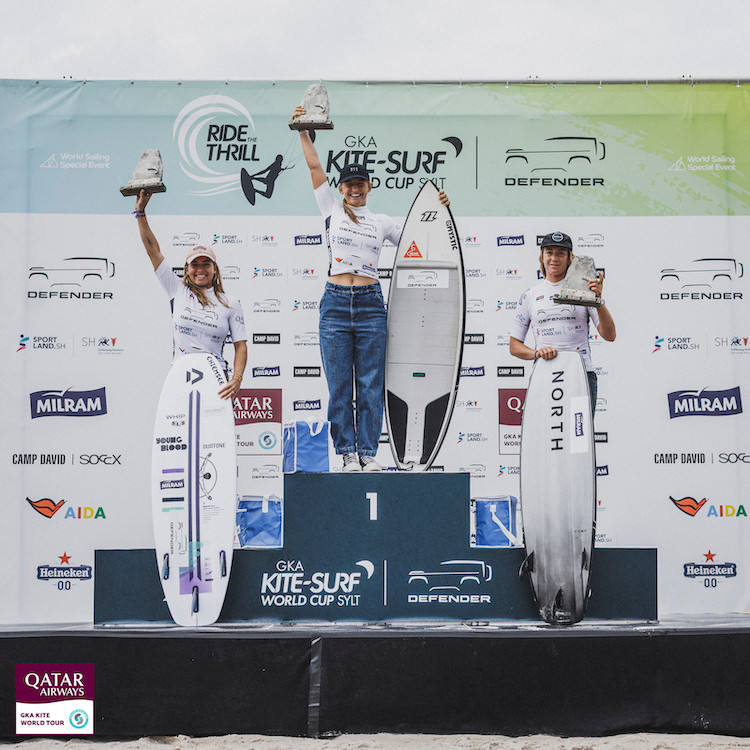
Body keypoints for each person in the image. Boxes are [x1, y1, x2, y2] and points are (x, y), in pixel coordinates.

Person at [291, 105, 449, 472]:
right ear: (341, 189)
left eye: (360, 183)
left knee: (370, 384)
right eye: (348, 184)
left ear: (369, 187)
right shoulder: (330, 209)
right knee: (339, 386)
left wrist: (440, 208)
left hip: (370, 304)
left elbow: (420, 238)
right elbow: (315, 168)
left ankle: (367, 452)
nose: (354, 188)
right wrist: (301, 131)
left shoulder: (382, 222)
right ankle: (347, 453)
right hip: (334, 303)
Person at [133, 189, 247, 400]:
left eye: (206, 264)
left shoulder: (230, 303)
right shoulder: (176, 289)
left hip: (216, 378)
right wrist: (140, 213)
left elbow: (241, 346)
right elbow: (153, 250)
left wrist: (237, 378)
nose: (200, 269)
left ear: (214, 269)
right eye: (195, 264)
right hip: (180, 374)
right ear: (186, 269)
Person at [509, 232, 616, 413]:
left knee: (579, 431)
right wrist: (536, 353)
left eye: (560, 253)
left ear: (569, 258)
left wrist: (598, 300)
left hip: (581, 373)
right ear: (542, 257)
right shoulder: (530, 295)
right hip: (544, 373)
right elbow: (514, 346)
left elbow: (610, 335)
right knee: (544, 430)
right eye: (549, 252)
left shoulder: (583, 290)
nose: (554, 258)